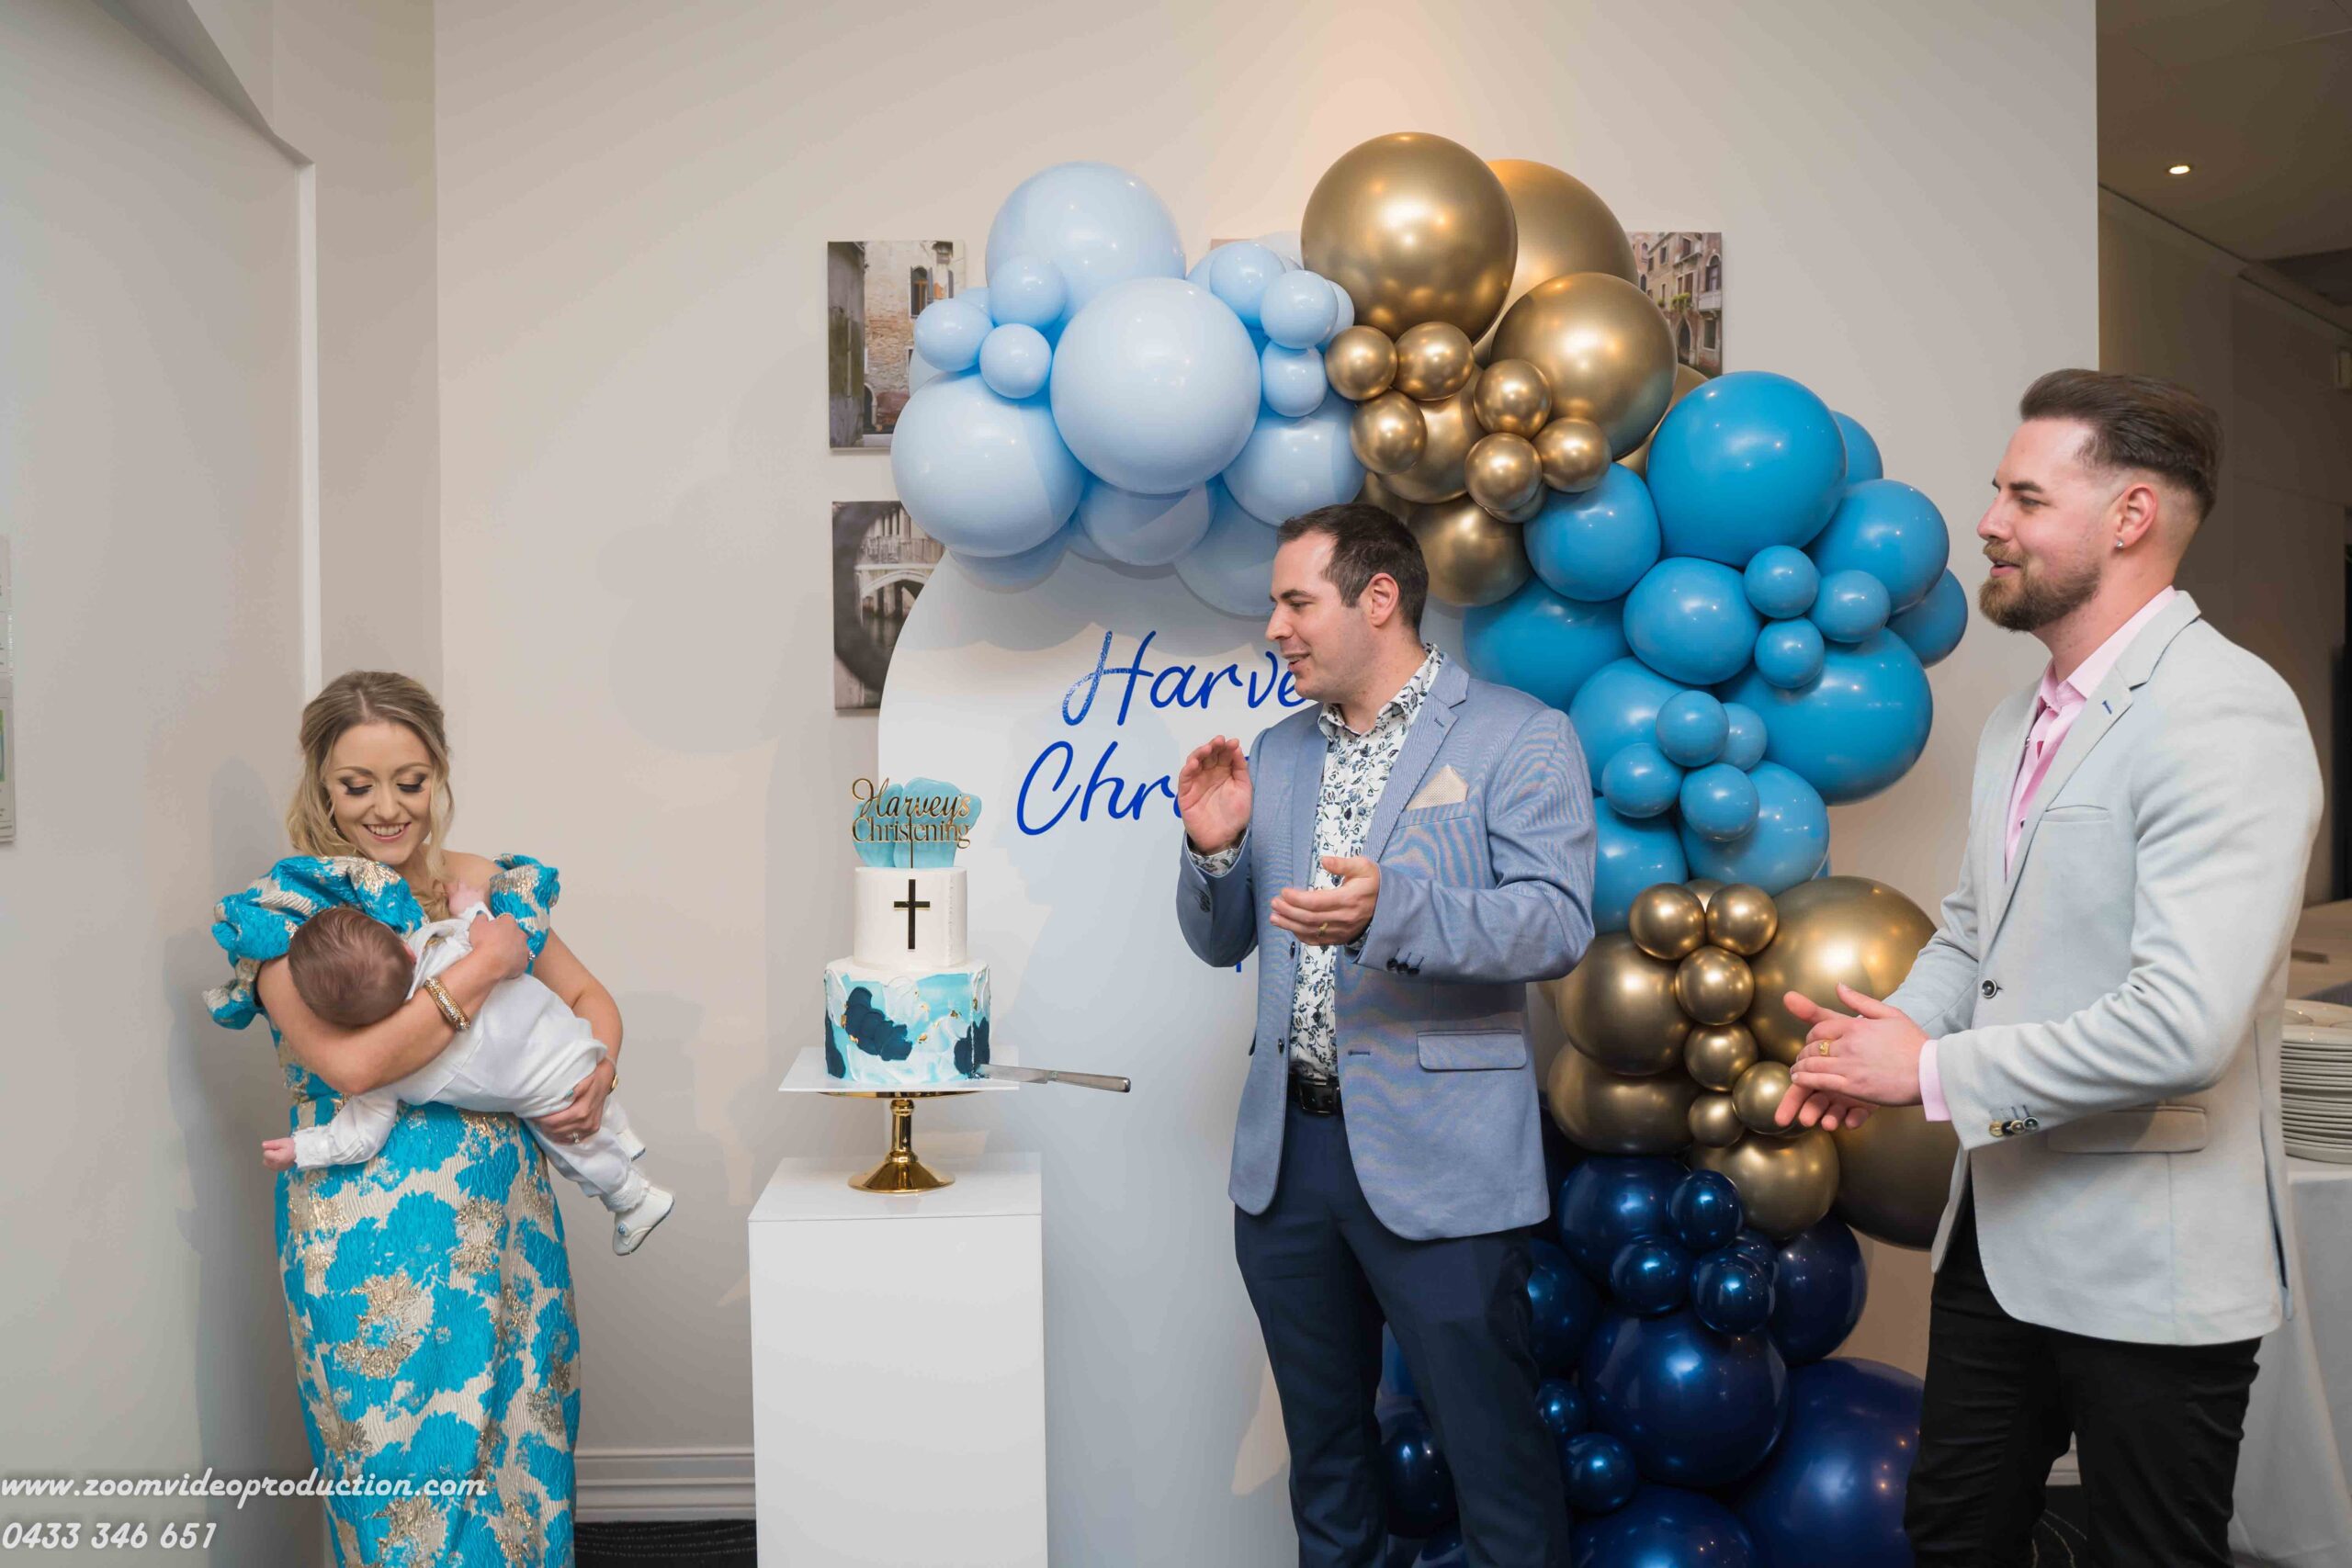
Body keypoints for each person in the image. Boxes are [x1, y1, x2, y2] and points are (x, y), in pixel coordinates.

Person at [1776, 370, 2321, 1566]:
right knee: (1952, 1535)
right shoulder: (2022, 720)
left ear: (2130, 516)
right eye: (1998, 493)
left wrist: (1928, 1072)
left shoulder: (2225, 712)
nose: (1989, 522)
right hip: (2000, 1233)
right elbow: (1975, 935)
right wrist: (1871, 1046)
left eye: (2025, 497)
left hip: (2152, 1262)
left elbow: (2182, 1027)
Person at [1174, 503, 1594, 1568]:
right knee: (1325, 1464)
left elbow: (1554, 924)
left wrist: (1391, 910)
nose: (1273, 627)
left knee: (1494, 1463)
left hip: (1443, 1160)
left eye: (1295, 602)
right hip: (1288, 1164)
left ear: (1378, 598)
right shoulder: (1275, 751)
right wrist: (1215, 851)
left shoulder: (1519, 734)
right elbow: (1222, 942)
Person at [207, 671, 624, 1565]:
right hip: (370, 1240)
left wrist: (599, 1068)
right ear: (321, 784)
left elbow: (591, 998)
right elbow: (354, 1065)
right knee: (405, 1494)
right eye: (358, 785)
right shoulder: (290, 909)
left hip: (508, 1223)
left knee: (525, 1462)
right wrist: (484, 967)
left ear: (439, 773)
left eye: (411, 780)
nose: (389, 808)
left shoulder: (484, 885)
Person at [261, 880, 673, 1255]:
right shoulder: (448, 948)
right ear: (405, 949)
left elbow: (358, 1137)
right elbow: (497, 940)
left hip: (553, 1095)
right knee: (589, 1117)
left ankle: (633, 1199)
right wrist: (471, 907)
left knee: (575, 1152)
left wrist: (304, 1148)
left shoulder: (389, 1068)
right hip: (575, 1042)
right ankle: (622, 1136)